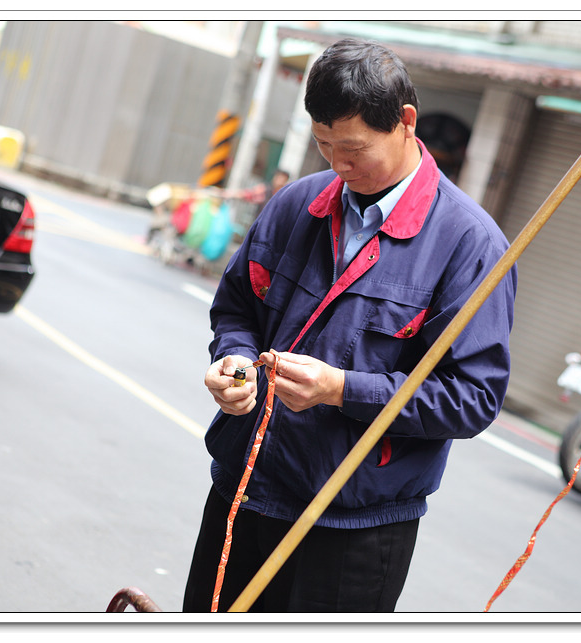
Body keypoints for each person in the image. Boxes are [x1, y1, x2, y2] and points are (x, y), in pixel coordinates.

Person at [183, 37, 517, 613]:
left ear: (405, 123)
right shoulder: (298, 204)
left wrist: (342, 390)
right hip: (245, 491)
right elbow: (238, 305)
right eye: (324, 145)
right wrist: (234, 357)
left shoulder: (471, 245)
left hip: (355, 523)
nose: (338, 165)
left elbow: (471, 398)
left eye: (355, 148)